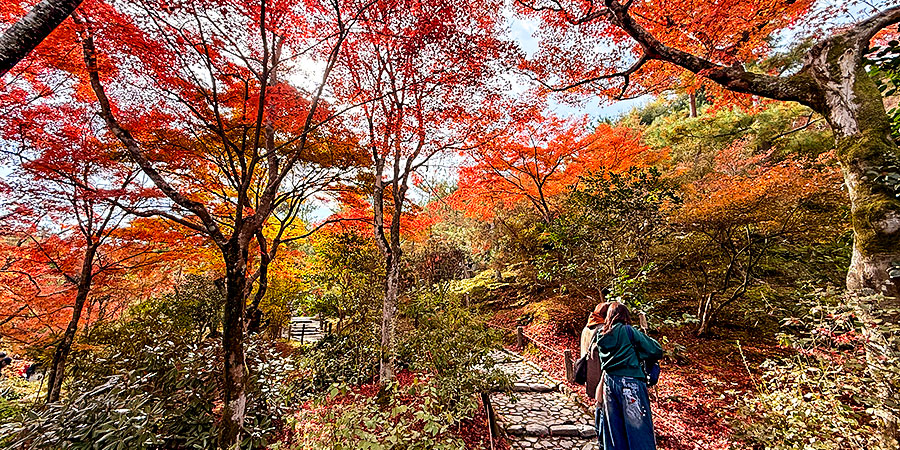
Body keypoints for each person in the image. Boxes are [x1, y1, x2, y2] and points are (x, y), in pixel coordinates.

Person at [593, 301, 663, 450]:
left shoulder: (601, 334)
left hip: (609, 382)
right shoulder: (628, 331)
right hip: (631, 382)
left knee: (614, 429)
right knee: (638, 429)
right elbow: (655, 350)